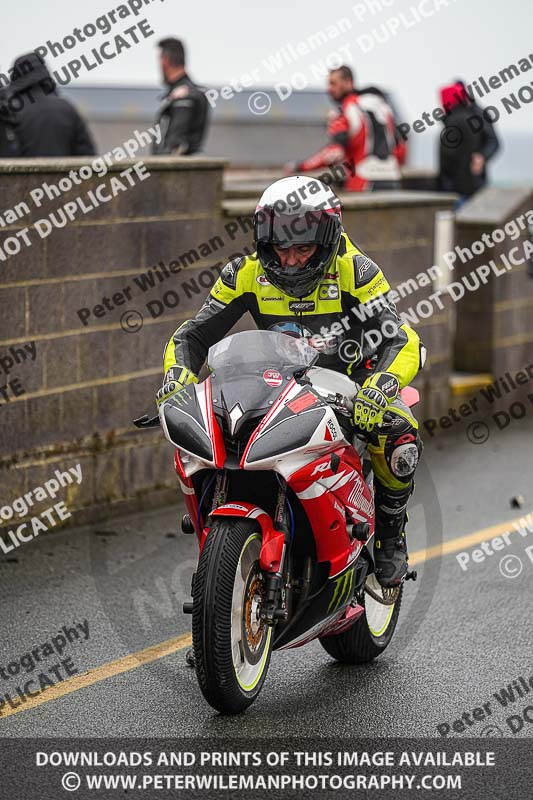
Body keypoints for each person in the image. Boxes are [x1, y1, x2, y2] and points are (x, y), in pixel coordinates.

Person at [157, 176, 425, 589]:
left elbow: (402, 339)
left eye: (303, 249)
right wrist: (177, 375)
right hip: (277, 382)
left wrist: (381, 386)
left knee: (399, 433)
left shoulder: (356, 270)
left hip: (352, 383)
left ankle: (391, 535)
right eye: (280, 249)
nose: (292, 261)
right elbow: (191, 337)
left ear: (327, 239)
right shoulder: (244, 273)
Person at [287, 66, 401, 191]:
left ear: (348, 82)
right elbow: (400, 146)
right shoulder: (383, 106)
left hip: (364, 180)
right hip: (392, 177)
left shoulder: (344, 110)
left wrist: (300, 167)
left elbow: (334, 153)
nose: (329, 89)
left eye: (333, 84)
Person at [8, 52, 95, 157]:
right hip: (63, 167)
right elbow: (87, 155)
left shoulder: (8, 111)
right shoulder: (67, 109)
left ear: (15, 76)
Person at [438, 81, 500, 204]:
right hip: (474, 182)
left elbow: (493, 141)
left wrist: (483, 156)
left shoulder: (468, 117)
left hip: (458, 185)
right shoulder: (469, 115)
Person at [152, 38, 209, 155]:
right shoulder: (192, 91)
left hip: (176, 165)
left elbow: (176, 144)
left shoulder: (183, 95)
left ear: (165, 60)